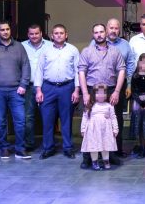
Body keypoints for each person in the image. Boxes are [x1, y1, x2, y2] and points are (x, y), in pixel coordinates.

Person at [78, 23, 126, 169]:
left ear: (106, 33)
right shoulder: (87, 51)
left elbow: (122, 70)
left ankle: (112, 154)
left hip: (110, 90)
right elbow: (81, 72)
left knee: (113, 120)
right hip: (91, 90)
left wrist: (117, 91)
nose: (99, 35)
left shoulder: (115, 51)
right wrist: (85, 93)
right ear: (93, 34)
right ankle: (87, 157)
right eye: (96, 32)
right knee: (90, 122)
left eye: (101, 32)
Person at [0, 21, 31, 160]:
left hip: (16, 91)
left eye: (7, 29)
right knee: (0, 122)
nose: (5, 32)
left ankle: (20, 149)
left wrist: (23, 84)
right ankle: (4, 147)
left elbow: (26, 66)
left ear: (10, 30)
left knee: (20, 121)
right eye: (2, 30)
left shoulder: (19, 47)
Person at [34, 24, 79, 159]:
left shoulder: (73, 50)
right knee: (47, 119)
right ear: (52, 36)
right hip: (48, 88)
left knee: (66, 119)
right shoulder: (45, 51)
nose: (59, 35)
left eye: (61, 33)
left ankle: (68, 147)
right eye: (56, 33)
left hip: (67, 87)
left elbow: (78, 71)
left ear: (66, 35)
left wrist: (76, 90)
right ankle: (48, 148)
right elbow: (39, 71)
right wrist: (38, 90)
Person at [93, 18, 136, 156]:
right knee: (99, 117)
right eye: (111, 28)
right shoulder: (94, 44)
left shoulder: (125, 45)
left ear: (119, 30)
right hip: (100, 86)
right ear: (106, 29)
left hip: (119, 85)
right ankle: (99, 150)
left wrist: (128, 84)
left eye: (116, 28)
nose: (113, 31)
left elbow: (130, 64)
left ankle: (117, 149)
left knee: (116, 117)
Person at [21, 24, 52, 153]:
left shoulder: (50, 46)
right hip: (28, 86)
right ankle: (29, 143)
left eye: (36, 33)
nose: (34, 36)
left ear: (41, 33)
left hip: (46, 86)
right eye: (31, 34)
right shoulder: (22, 46)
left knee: (48, 116)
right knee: (28, 117)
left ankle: (48, 144)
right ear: (28, 34)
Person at [80, 88, 119, 171]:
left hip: (106, 130)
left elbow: (113, 117)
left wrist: (115, 129)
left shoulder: (109, 105)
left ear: (106, 95)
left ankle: (106, 161)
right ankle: (94, 162)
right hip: (93, 130)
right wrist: (83, 129)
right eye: (98, 93)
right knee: (93, 147)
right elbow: (85, 117)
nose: (101, 95)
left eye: (103, 93)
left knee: (105, 146)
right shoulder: (90, 105)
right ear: (94, 95)